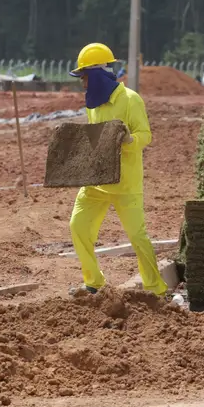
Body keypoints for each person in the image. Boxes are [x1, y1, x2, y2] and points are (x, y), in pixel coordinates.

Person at [67, 42, 168, 297]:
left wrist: (129, 140)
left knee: (137, 237)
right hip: (96, 182)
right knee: (78, 226)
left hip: (126, 184)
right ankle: (94, 283)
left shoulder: (131, 100)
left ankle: (155, 290)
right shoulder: (93, 104)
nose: (83, 84)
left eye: (85, 77)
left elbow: (146, 134)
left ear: (98, 74)